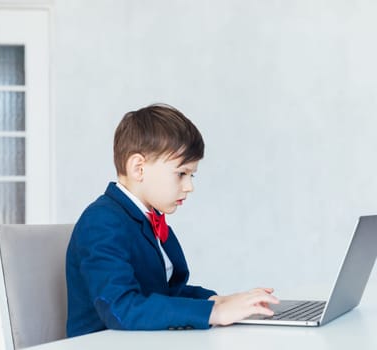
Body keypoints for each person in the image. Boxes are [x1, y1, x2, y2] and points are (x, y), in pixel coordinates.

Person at [66, 103, 279, 337]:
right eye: (181, 174)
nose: (189, 187)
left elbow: (166, 293)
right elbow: (122, 308)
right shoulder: (101, 222)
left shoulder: (149, 217)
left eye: (191, 175)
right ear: (139, 168)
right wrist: (214, 313)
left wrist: (220, 301)